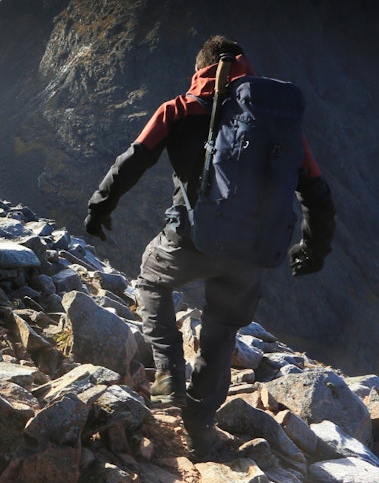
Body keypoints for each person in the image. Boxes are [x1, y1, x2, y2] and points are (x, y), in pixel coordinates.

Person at [83, 36, 336, 458]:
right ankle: (199, 430)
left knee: (150, 279)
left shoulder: (180, 109)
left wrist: (100, 206)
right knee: (220, 333)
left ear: (200, 68)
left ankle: (167, 374)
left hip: (189, 240)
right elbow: (315, 192)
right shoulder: (279, 122)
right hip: (252, 251)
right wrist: (314, 248)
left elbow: (134, 159)